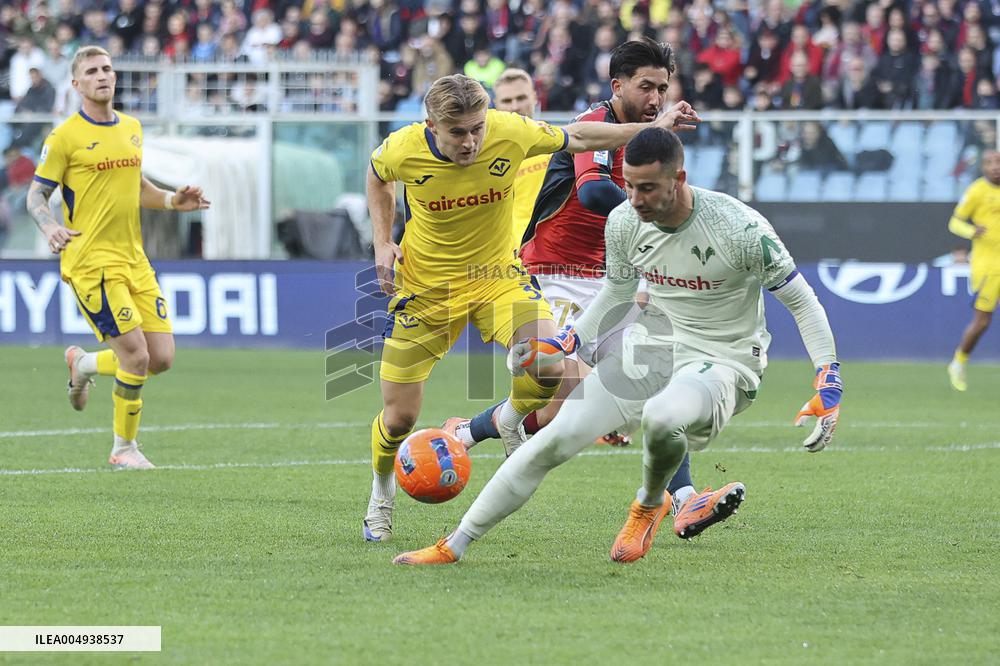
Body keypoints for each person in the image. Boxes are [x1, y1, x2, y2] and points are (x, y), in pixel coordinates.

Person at [393, 127, 842, 565]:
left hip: (724, 362)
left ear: (678, 179)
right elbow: (616, 292)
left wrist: (827, 377)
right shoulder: (625, 220)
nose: (635, 199)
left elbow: (803, 303)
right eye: (628, 185)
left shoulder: (739, 228)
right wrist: (569, 341)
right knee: (553, 440)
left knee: (662, 417)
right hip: (652, 352)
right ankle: (454, 545)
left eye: (647, 188)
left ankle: (648, 505)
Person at [362, 73, 698, 542]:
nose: (471, 141)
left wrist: (655, 127)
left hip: (498, 279)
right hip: (426, 289)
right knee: (399, 419)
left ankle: (508, 418)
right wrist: (382, 242)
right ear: (430, 125)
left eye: (477, 128)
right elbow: (377, 177)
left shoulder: (508, 130)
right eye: (458, 132)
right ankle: (381, 490)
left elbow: (579, 134)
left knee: (548, 359)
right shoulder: (402, 149)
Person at [446, 38, 740, 538]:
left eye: (662, 89)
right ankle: (469, 430)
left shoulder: (654, 142)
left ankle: (687, 500)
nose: (655, 98)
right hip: (553, 274)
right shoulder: (596, 124)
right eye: (646, 86)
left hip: (608, 283)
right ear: (617, 86)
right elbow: (595, 191)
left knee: (656, 381)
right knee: (565, 405)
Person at [26, 46, 210, 469]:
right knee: (136, 357)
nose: (102, 75)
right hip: (91, 263)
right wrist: (49, 225)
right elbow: (37, 193)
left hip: (134, 259)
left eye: (107, 68)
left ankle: (83, 363)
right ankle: (123, 449)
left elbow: (137, 186)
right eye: (92, 71)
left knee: (160, 358)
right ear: (77, 84)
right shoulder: (64, 137)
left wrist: (171, 199)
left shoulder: (131, 127)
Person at [946, 149, 1000, 391]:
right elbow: (954, 222)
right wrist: (971, 231)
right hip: (988, 266)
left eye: (998, 162)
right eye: (990, 163)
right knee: (982, 321)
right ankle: (958, 361)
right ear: (983, 168)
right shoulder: (977, 191)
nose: (995, 166)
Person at [489, 67, 549, 254]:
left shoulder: (557, 144)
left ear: (534, 97)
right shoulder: (481, 154)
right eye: (507, 101)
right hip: (510, 258)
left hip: (556, 254)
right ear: (496, 104)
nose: (515, 106)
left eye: (521, 98)